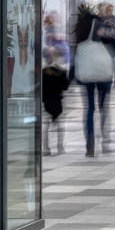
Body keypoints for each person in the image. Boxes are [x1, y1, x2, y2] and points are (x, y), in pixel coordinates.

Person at [71, 1, 115, 157]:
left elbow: (75, 53)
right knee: (103, 108)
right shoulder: (99, 25)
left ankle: (90, 143)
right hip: (103, 71)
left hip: (86, 74)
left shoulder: (80, 30)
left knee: (90, 109)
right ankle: (105, 140)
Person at [41, 12, 70, 155]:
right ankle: (60, 146)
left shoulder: (44, 72)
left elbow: (41, 90)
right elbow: (65, 86)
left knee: (46, 124)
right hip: (58, 102)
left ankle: (46, 148)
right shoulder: (61, 72)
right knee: (59, 124)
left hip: (47, 102)